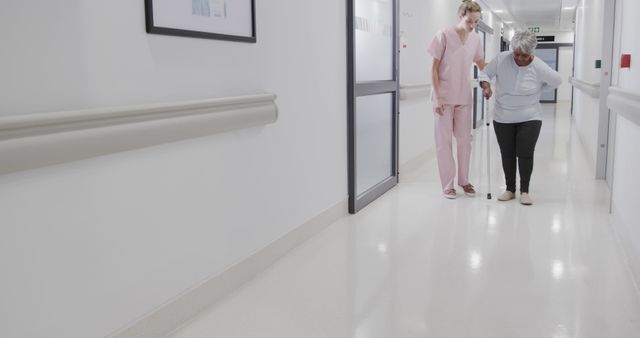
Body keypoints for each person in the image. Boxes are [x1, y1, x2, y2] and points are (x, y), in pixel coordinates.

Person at [479, 30, 562, 205]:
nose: (520, 58)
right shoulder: (502, 58)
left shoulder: (538, 66)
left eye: (524, 55)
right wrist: (486, 86)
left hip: (530, 116)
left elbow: (556, 81)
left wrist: (539, 91)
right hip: (502, 116)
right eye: (516, 53)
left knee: (525, 152)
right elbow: (484, 73)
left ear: (532, 52)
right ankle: (510, 189)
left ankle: (525, 191)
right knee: (507, 153)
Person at [428, 0, 487, 199]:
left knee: (464, 141)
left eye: (476, 22)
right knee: (443, 142)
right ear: (460, 16)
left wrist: (502, 68)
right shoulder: (443, 35)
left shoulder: (476, 39)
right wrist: (437, 98)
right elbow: (434, 69)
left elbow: (481, 64)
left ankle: (464, 180)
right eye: (469, 21)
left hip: (464, 96)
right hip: (443, 97)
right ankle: (448, 184)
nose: (472, 26)